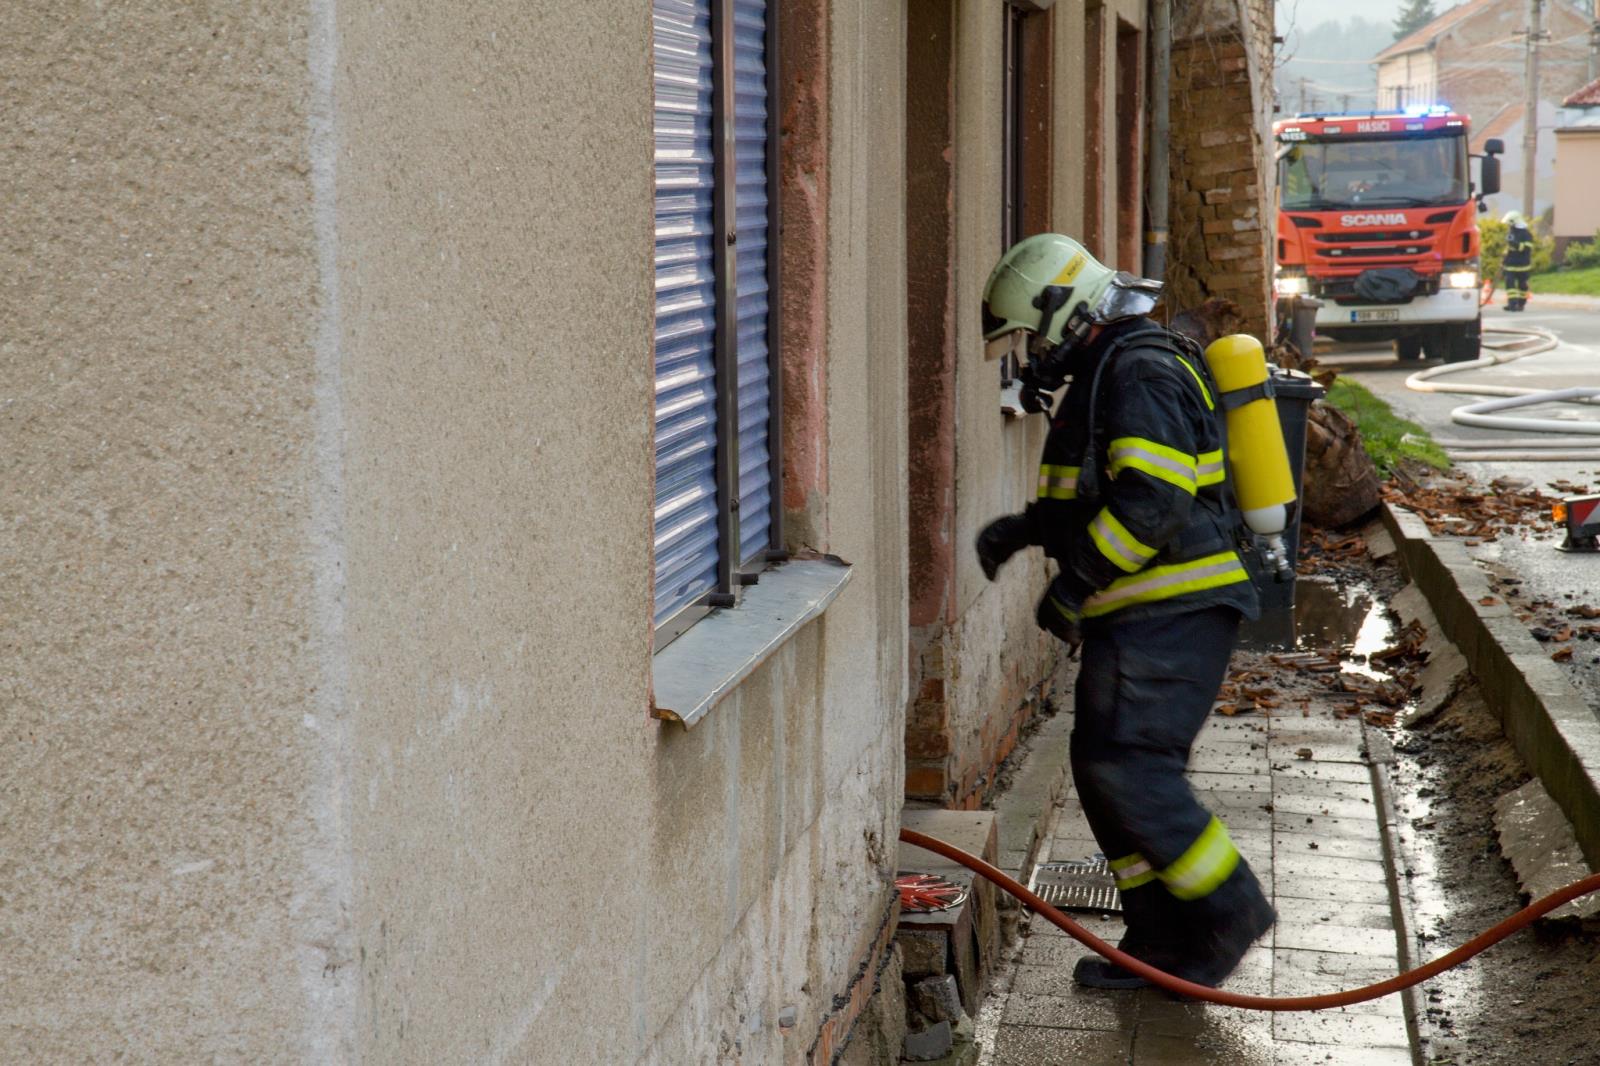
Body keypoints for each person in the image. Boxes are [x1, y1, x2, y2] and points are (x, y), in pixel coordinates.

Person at [975, 234, 1274, 991]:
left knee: (1134, 768)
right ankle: (1158, 933)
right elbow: (1098, 493)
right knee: (1102, 766)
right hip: (1147, 610)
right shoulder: (1111, 367)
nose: (1033, 354)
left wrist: (1074, 586)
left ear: (1066, 310)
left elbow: (1152, 503)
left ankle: (1227, 912)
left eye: (1035, 335)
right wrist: (1025, 531)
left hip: (1175, 608)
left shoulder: (1139, 369)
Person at [1503, 211, 1534, 312]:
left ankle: (1520, 305)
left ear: (1514, 222)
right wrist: (1504, 260)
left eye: (1510, 224)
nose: (1509, 226)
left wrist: (1515, 244)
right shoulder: (1511, 233)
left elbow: (1527, 249)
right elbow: (1508, 249)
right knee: (1510, 285)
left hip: (1522, 265)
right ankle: (1512, 304)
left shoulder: (1526, 234)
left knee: (1522, 286)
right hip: (1510, 264)